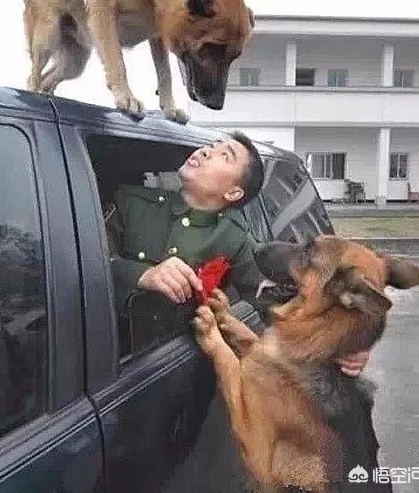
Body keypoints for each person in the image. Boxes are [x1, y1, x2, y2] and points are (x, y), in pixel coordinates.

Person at [105, 131, 367, 377]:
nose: (205, 151)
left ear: (233, 192)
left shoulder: (233, 237)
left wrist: (341, 340)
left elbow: (278, 300)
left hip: (174, 371)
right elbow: (89, 266)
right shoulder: (131, 202)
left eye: (225, 155)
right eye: (210, 146)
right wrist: (142, 275)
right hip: (107, 356)